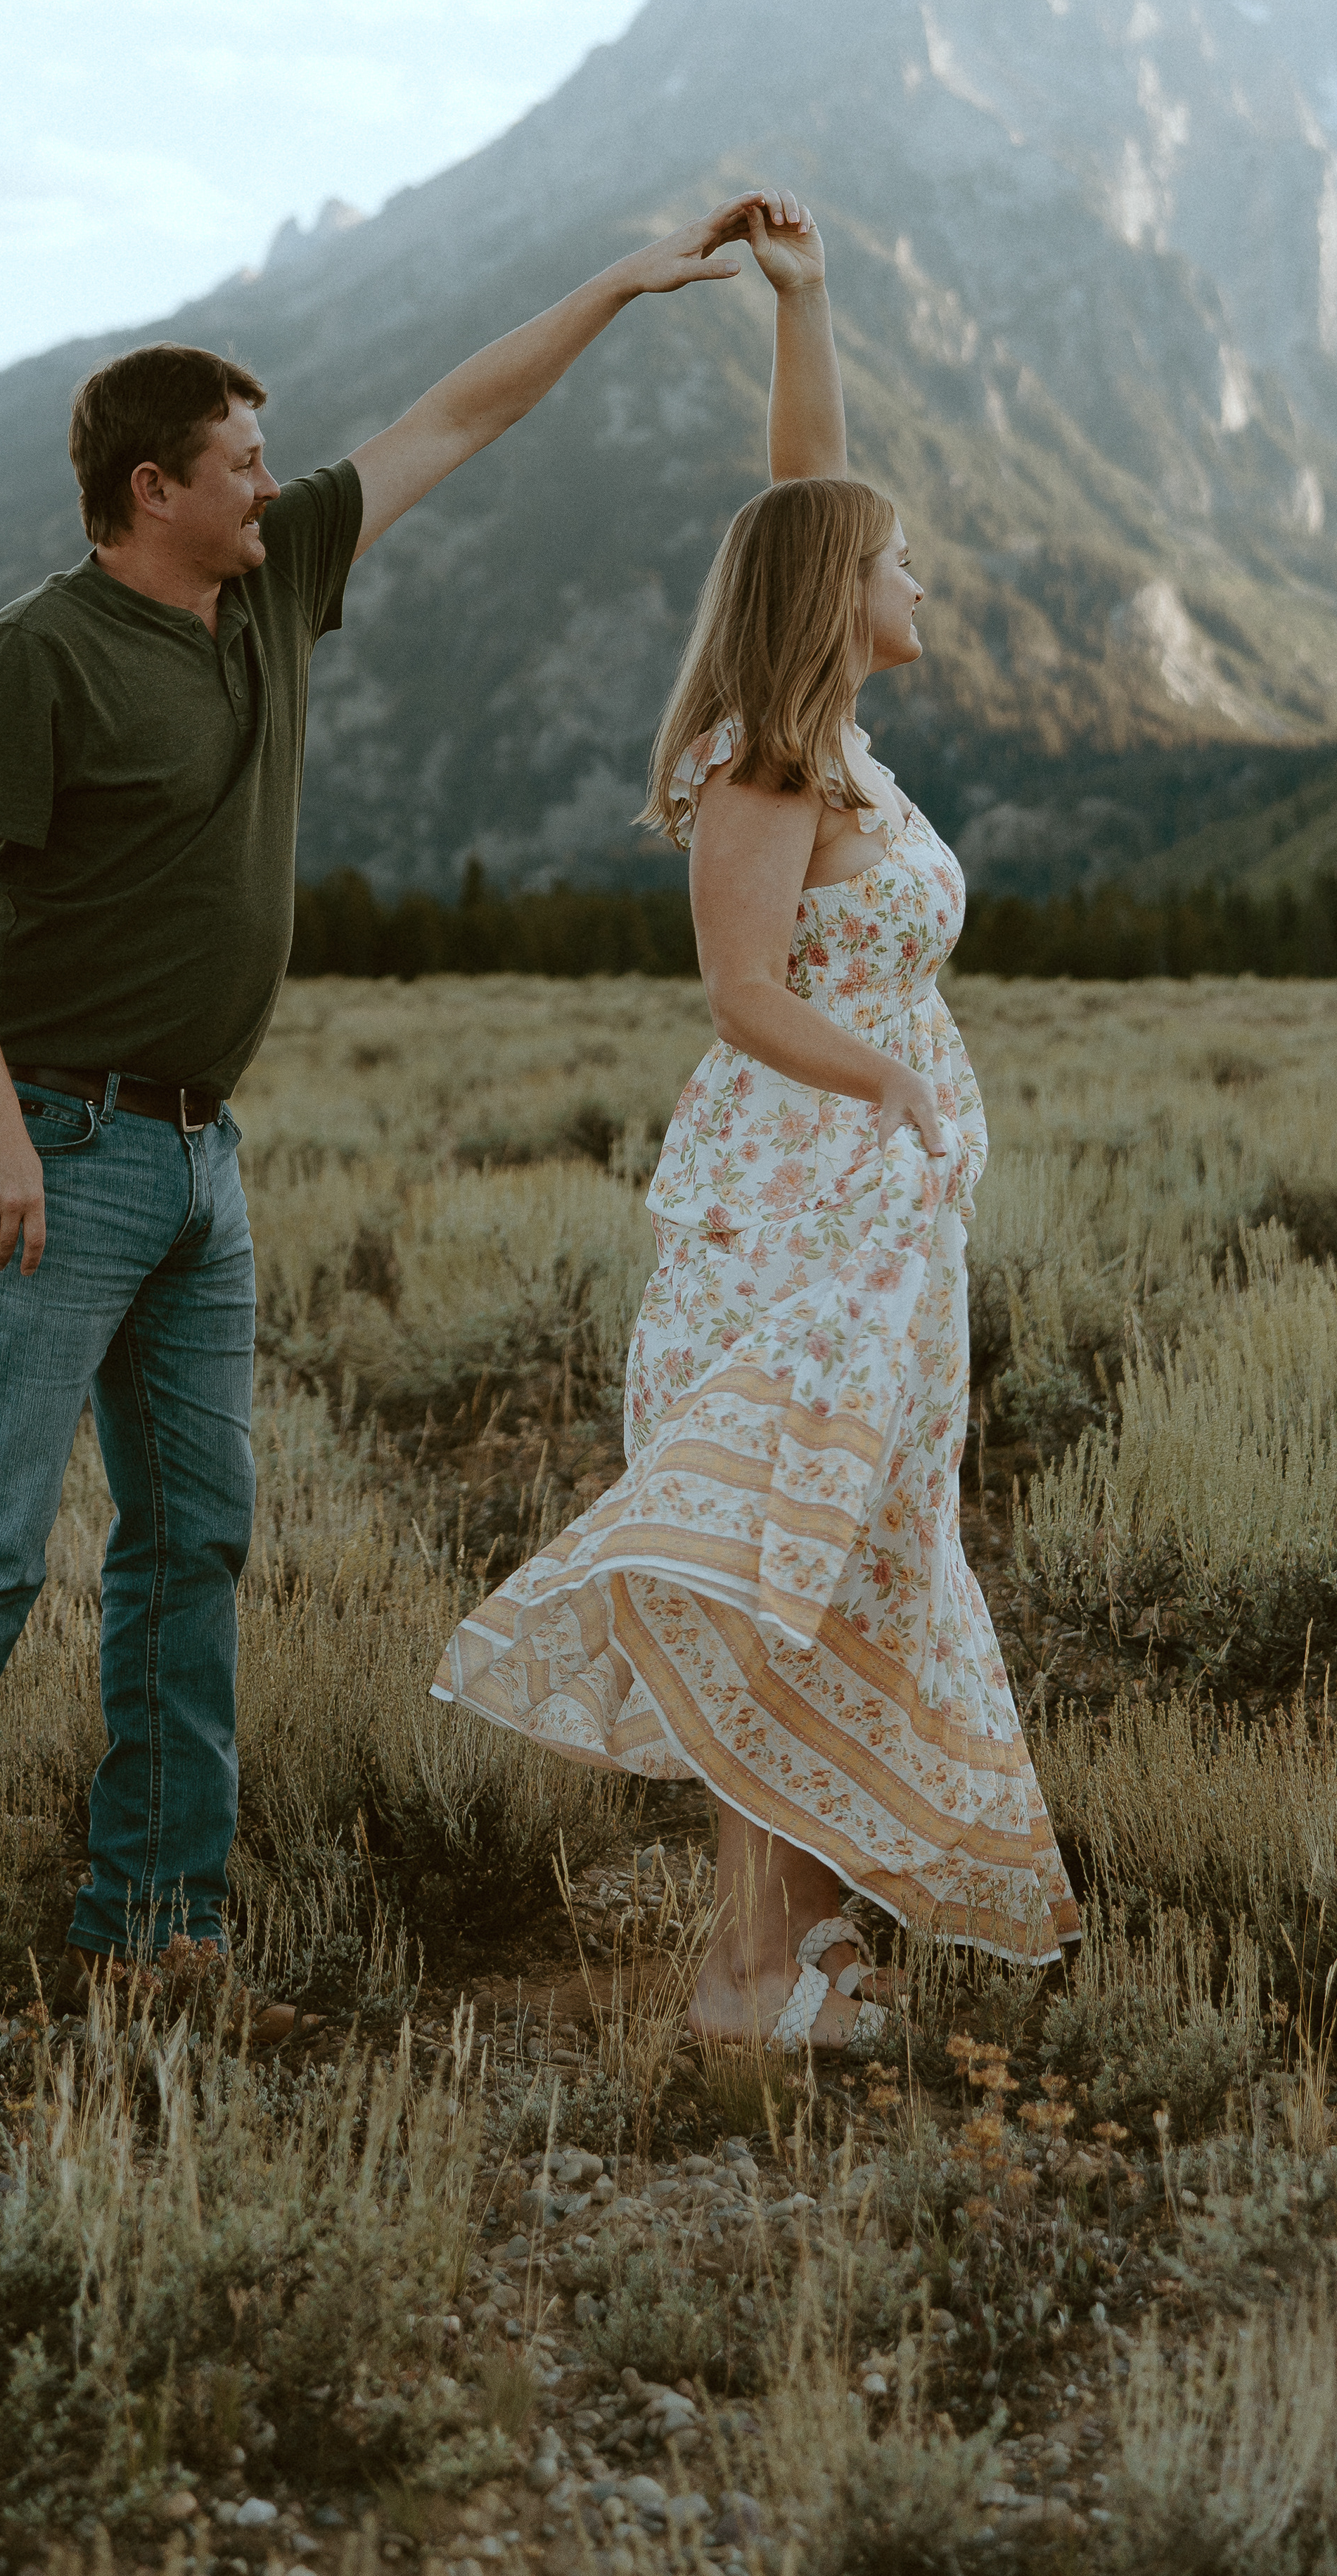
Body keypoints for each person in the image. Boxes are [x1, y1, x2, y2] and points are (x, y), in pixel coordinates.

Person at [0, 191, 830, 2055]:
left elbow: (459, 417)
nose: (274, 484)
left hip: (201, 1160)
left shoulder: (272, 582)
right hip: (49, 1145)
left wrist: (619, 281)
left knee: (189, 1545)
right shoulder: (31, 663)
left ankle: (155, 1934)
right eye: (242, 463)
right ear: (152, 492)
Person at [434, 213, 1079, 2043]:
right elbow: (740, 994)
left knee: (862, 1557)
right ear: (843, 599)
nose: (926, 584)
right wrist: (889, 1081)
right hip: (784, 1219)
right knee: (762, 1561)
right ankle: (740, 1971)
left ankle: (802, 1945)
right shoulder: (763, 765)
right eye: (906, 569)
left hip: (885, 1230)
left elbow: (810, 498)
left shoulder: (845, 742)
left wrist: (809, 300)